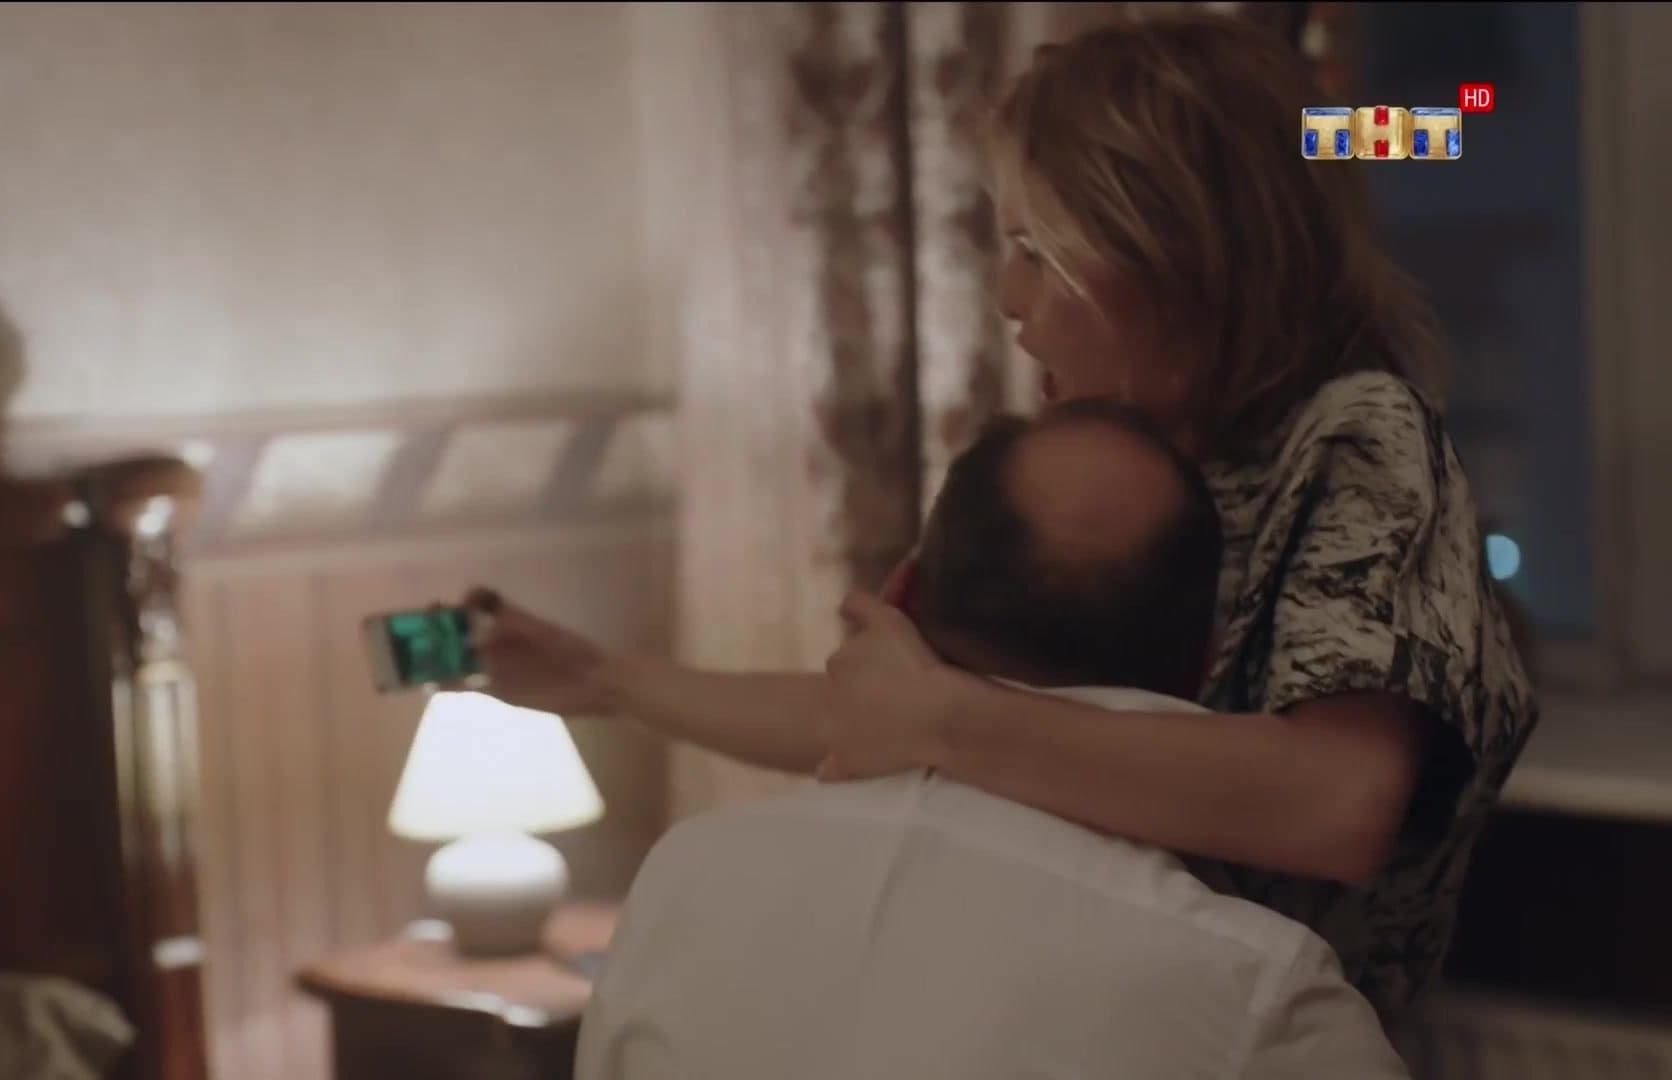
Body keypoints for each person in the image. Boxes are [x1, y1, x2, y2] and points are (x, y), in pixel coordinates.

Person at [469, 12, 1537, 1022]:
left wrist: (943, 718)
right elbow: (886, 711)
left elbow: (1335, 804)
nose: (1008, 300)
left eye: (1037, 250)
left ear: (1174, 251)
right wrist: (603, 682)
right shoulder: (1124, 467)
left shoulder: (1357, 440)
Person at [574, 404, 1408, 1079]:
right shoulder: (1263, 1002)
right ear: (1207, 661)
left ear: (901, 597)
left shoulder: (685, 881)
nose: (1016, 300)